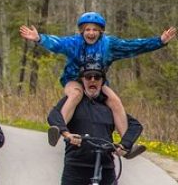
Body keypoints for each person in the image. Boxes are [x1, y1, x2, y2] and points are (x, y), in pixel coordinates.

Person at [19, 12, 175, 142]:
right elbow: (57, 43)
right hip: (74, 80)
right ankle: (61, 130)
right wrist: (39, 38)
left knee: (114, 100)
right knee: (76, 94)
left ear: (101, 31)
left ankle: (126, 143)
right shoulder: (74, 43)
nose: (91, 33)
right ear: (82, 31)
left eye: (95, 30)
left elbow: (133, 46)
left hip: (98, 82)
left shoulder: (109, 45)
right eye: (87, 30)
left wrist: (159, 42)